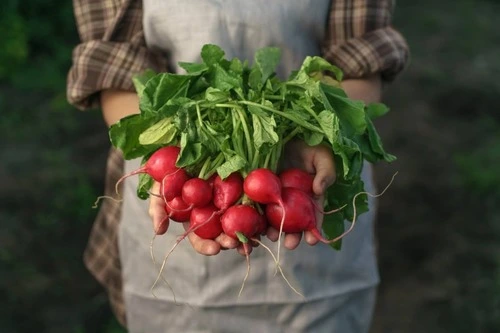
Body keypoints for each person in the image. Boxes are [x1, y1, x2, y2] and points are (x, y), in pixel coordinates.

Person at [67, 0, 409, 332]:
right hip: (185, 220)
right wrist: (173, 151)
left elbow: (358, 66)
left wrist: (313, 135)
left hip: (309, 202)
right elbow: (114, 72)